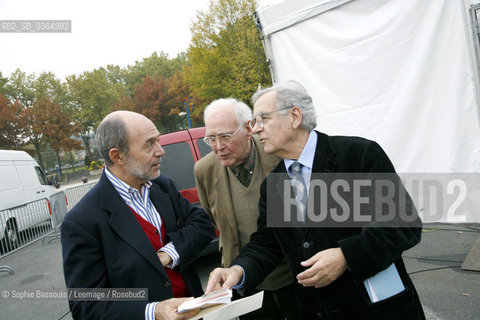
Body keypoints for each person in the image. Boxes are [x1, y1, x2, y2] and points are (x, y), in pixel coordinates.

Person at [206, 81, 426, 319]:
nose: (256, 129)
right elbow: (267, 243)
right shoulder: (273, 184)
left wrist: (346, 256)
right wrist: (238, 271)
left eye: (262, 119)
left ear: (295, 116)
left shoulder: (357, 155)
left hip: (380, 310)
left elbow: (404, 224)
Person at [61, 110, 215, 320]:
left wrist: (170, 252)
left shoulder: (163, 187)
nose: (161, 151)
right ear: (117, 156)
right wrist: (154, 312)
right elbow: (87, 306)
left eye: (158, 141)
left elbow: (202, 224)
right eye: (149, 144)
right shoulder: (82, 222)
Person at [194, 98, 298, 319]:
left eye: (225, 136)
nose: (218, 147)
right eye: (210, 138)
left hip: (293, 278)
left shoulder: (279, 155)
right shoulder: (204, 170)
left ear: (249, 128)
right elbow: (213, 218)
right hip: (243, 282)